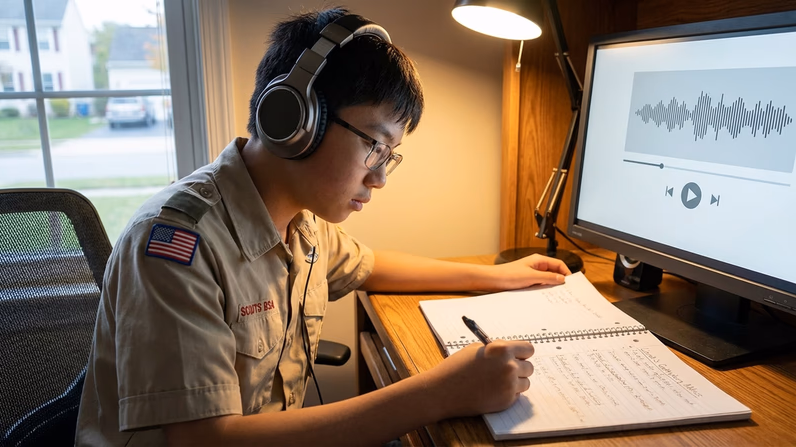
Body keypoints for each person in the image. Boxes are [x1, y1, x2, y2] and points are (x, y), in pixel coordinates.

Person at [75, 7, 571, 446]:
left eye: (390, 156)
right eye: (374, 146)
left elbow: (371, 266)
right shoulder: (176, 247)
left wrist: (501, 276)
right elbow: (205, 438)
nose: (379, 177)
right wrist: (437, 394)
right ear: (294, 118)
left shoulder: (299, 219)